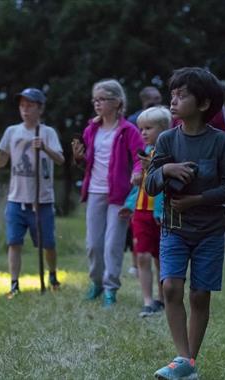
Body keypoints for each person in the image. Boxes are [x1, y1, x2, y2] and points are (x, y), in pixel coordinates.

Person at [146, 67, 225, 379]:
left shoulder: (220, 143)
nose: (173, 101)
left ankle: (188, 362)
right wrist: (167, 170)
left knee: (200, 294)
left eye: (181, 95)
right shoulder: (166, 140)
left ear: (203, 105)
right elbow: (149, 185)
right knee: (171, 288)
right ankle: (183, 360)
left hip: (210, 232)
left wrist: (197, 200)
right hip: (173, 228)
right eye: (172, 95)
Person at [0, 88, 64, 298]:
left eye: (30, 106)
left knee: (48, 243)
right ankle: (14, 284)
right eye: (22, 106)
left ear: (40, 108)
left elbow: (61, 160)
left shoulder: (48, 133)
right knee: (14, 242)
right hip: (16, 199)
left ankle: (52, 275)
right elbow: (1, 162)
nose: (25, 110)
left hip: (42, 200)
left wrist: (45, 148)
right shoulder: (12, 132)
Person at [72, 79, 144, 308]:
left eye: (102, 99)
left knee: (113, 243)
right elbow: (88, 162)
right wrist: (79, 158)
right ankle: (96, 283)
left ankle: (110, 289)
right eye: (95, 99)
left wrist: (137, 173)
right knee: (93, 243)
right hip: (94, 191)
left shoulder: (128, 131)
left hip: (119, 194)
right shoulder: (91, 129)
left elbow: (140, 158)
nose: (97, 103)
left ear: (117, 102)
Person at [123, 106, 171, 317]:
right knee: (142, 255)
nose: (142, 133)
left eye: (148, 128)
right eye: (140, 128)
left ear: (163, 129)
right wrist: (129, 204)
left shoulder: (170, 154)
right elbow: (139, 186)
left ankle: (163, 298)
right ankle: (148, 300)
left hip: (160, 213)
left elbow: (168, 181)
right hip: (141, 212)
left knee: (161, 257)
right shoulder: (144, 154)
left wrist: (153, 168)